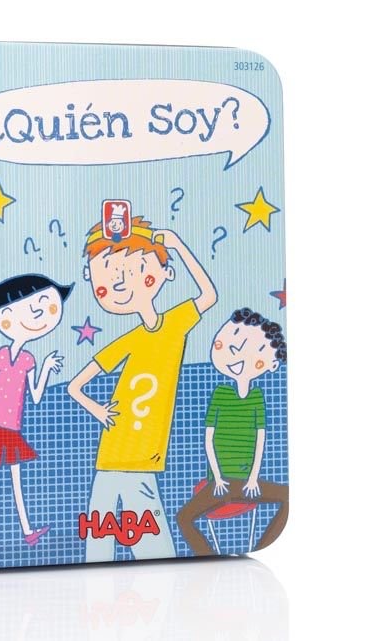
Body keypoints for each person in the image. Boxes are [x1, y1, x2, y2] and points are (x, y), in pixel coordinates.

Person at [67, 214, 217, 562]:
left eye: (135, 270)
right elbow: (75, 386)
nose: (121, 282)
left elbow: (208, 295)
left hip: (144, 454)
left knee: (153, 544)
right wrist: (98, 410)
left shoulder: (175, 323)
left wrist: (177, 245)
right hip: (112, 451)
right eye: (108, 276)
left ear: (165, 273)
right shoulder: (129, 340)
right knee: (100, 539)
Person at [0, 274, 72, 549]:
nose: (38, 314)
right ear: (3, 318)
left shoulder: (28, 359)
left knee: (15, 479)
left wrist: (46, 368)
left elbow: (36, 394)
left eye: (46, 304)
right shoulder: (1, 355)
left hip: (11, 427)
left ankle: (28, 531)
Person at [176, 308, 289, 555]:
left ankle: (256, 544)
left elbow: (260, 441)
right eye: (231, 341)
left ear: (272, 364)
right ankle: (206, 558)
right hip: (222, 483)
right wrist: (217, 478)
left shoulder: (257, 397)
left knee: (286, 497)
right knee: (184, 517)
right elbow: (208, 440)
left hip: (247, 483)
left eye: (254, 349)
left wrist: (253, 478)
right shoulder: (220, 394)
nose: (237, 351)